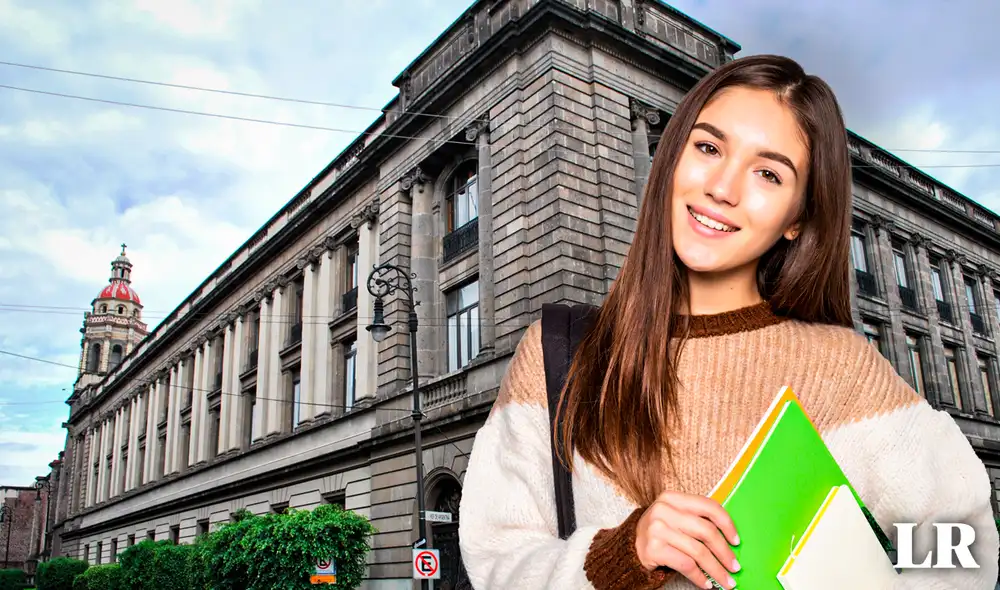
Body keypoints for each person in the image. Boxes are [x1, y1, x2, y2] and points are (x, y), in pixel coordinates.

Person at [457, 54, 1000, 589]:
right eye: (709, 147)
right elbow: (496, 556)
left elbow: (962, 537)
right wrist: (620, 554)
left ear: (797, 219)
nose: (723, 187)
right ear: (672, 160)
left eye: (768, 173)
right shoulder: (562, 354)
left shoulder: (840, 365)